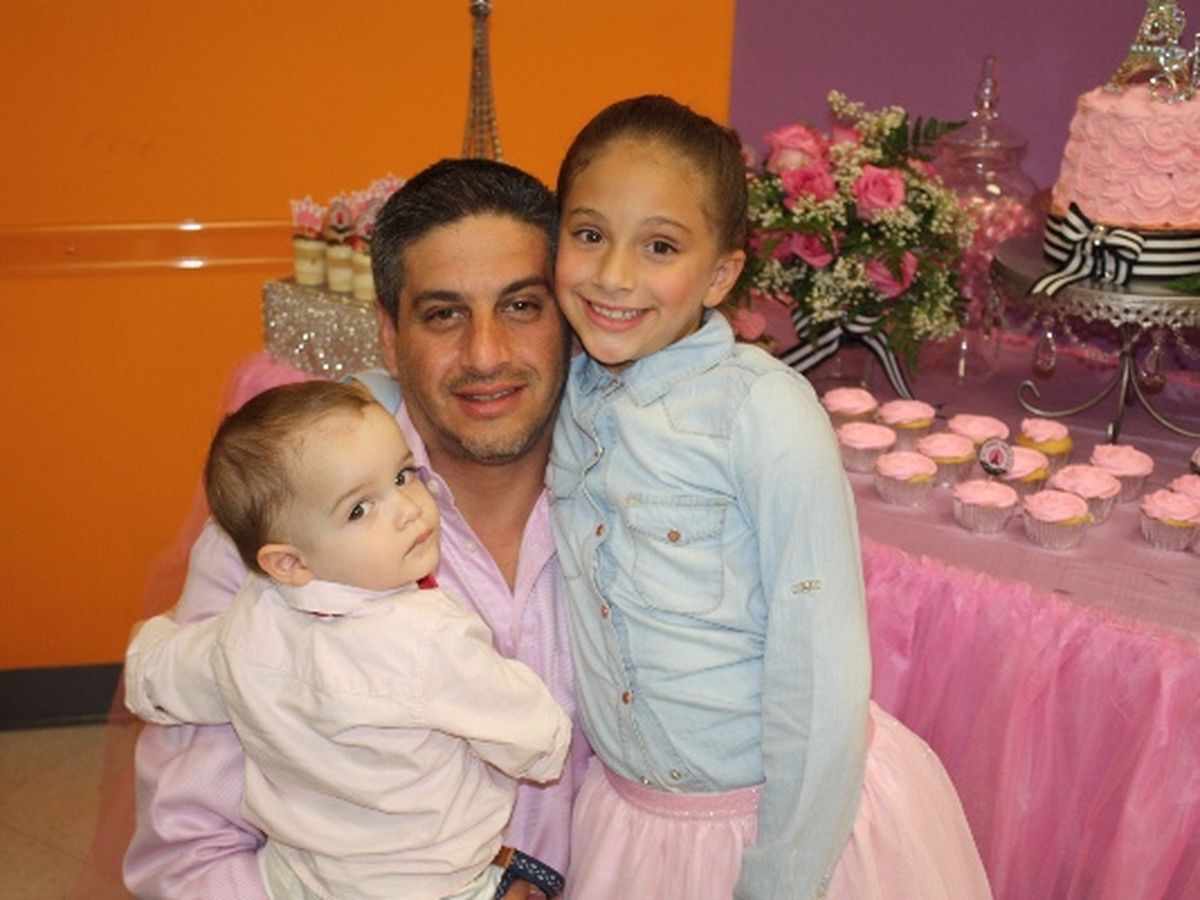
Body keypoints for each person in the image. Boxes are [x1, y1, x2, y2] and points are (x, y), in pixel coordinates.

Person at [547, 95, 992, 899]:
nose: (613, 275)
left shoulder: (764, 412)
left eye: (659, 246)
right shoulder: (561, 393)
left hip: (784, 828)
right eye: (588, 235)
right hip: (634, 829)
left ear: (721, 274)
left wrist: (783, 877)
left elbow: (818, 667)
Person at [123, 158, 589, 898]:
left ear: (569, 320)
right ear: (389, 335)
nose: (486, 354)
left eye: (521, 306)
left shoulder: (645, 498)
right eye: (443, 314)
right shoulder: (284, 542)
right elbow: (191, 858)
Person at [123, 380, 571, 899]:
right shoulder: (428, 638)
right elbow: (536, 734)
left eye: (403, 476)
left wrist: (144, 654)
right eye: (359, 509)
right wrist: (541, 748)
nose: (408, 508)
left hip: (300, 878)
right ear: (288, 561)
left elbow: (165, 675)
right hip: (430, 884)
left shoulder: (245, 628)